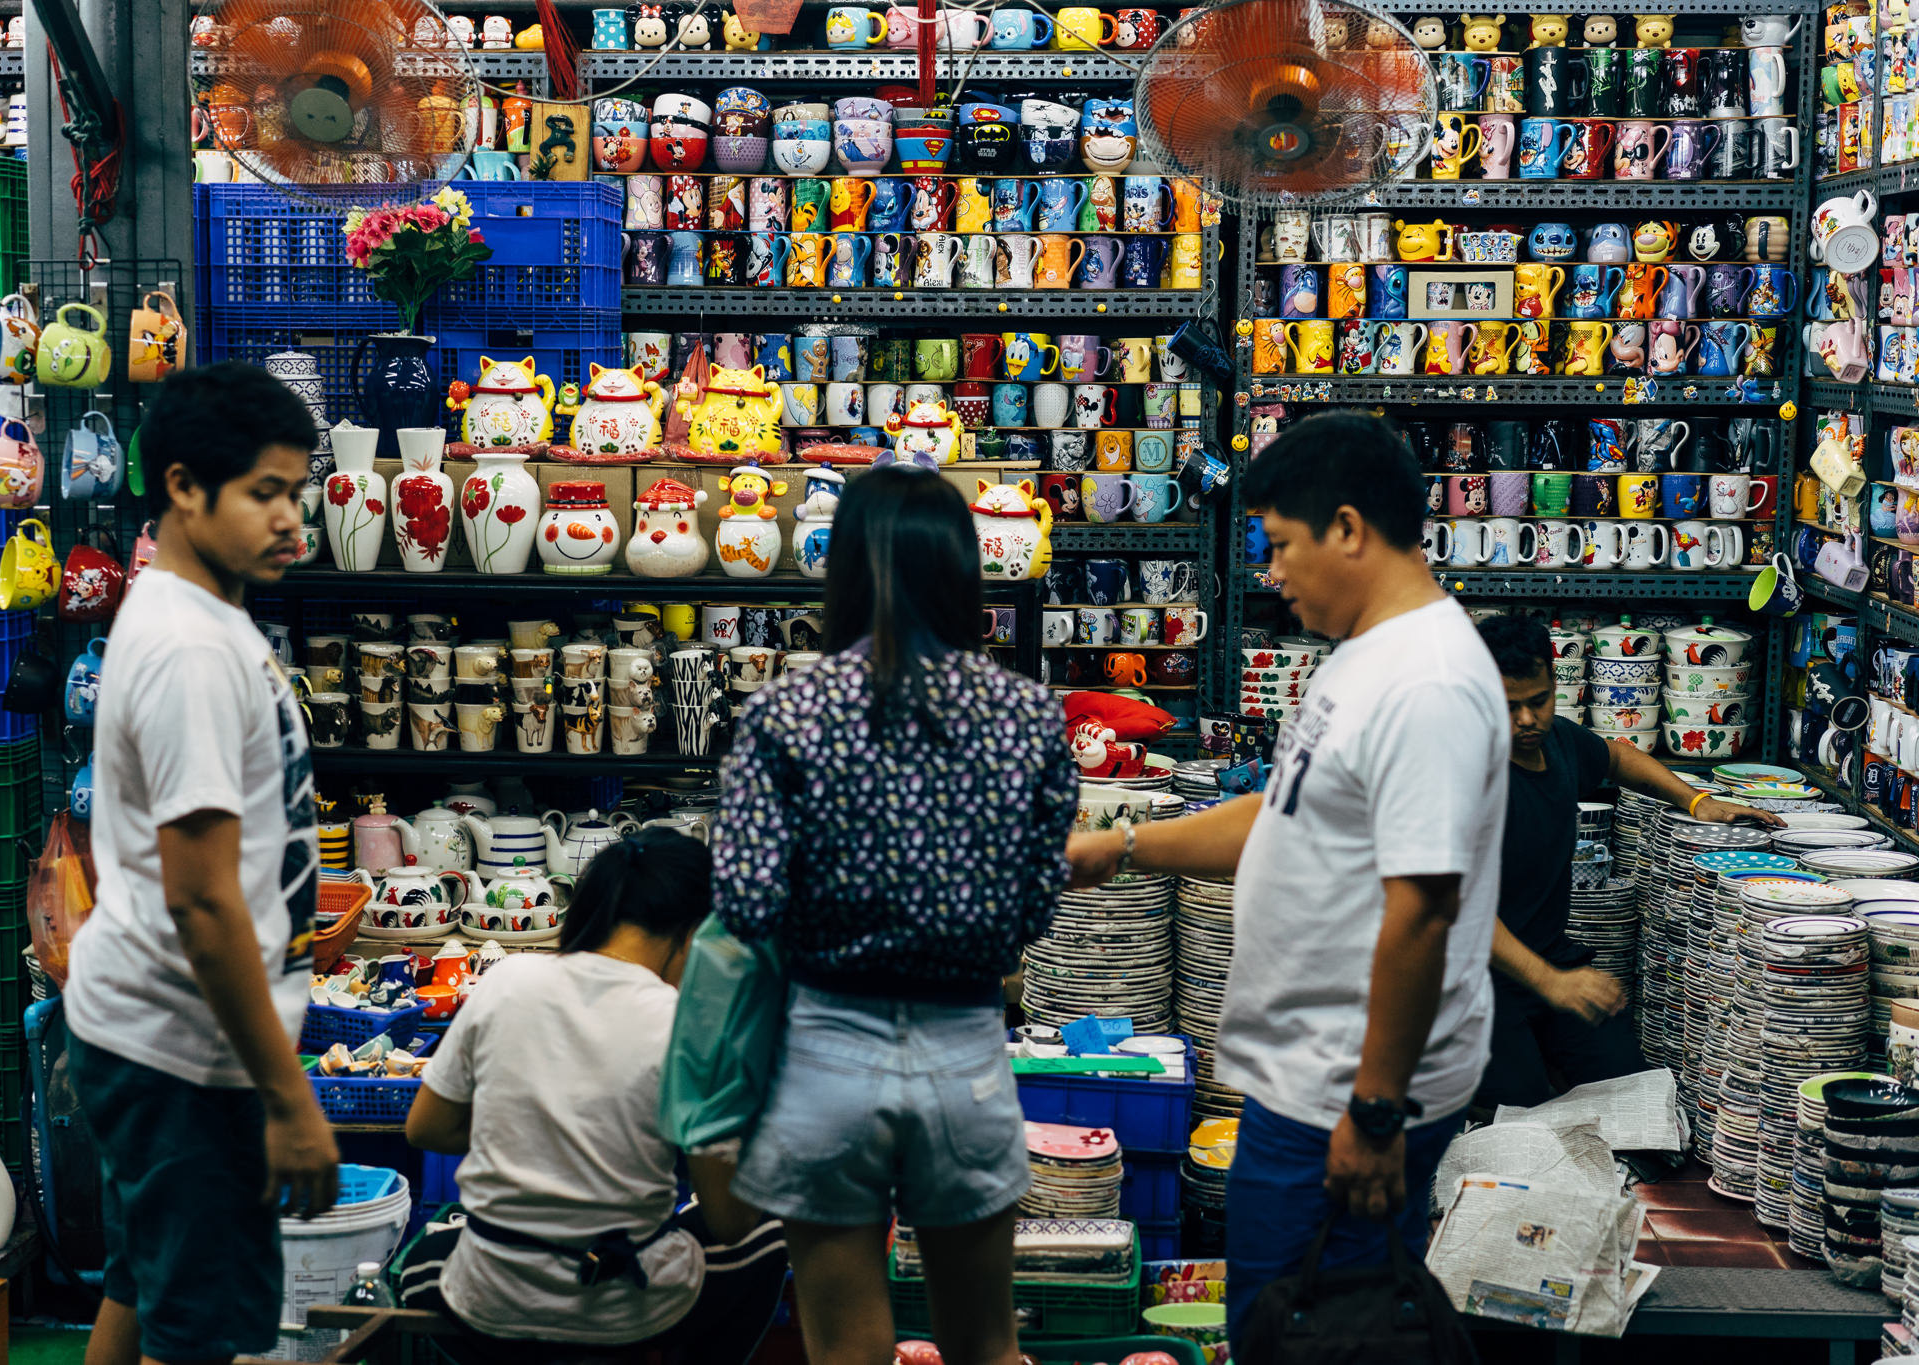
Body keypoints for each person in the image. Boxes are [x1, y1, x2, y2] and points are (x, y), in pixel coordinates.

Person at [1066, 412, 1509, 1335]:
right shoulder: (1365, 659)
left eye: (1279, 546)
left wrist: (1376, 1113)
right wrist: (1124, 847)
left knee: (1312, 1334)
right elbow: (1285, 816)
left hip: (1342, 1097)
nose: (1271, 575)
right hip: (1310, 1085)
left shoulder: (1425, 683)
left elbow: (1424, 910)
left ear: (1348, 529)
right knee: (1275, 1324)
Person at [711, 466, 1080, 1365]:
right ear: (962, 568)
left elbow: (746, 902)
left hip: (828, 1045)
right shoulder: (1028, 713)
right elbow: (1036, 901)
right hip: (967, 1045)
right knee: (986, 1343)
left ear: (844, 571)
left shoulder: (785, 713)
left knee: (845, 1351)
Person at [63, 363, 334, 1365]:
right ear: (184, 487)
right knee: (201, 1329)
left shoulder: (203, 619)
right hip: (185, 1054)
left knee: (146, 1286)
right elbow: (203, 902)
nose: (290, 522)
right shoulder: (189, 649)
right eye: (265, 493)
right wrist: (287, 1097)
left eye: (295, 495)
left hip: (158, 1033)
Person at [400, 829, 787, 1364]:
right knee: (769, 1233)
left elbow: (426, 1129)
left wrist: (530, 1121)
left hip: (495, 1297)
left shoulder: (507, 980)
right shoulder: (689, 1027)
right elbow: (728, 1221)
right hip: (623, 1310)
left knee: (427, 1258)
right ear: (694, 930)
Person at [1472, 614, 1782, 1109]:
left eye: (1538, 702)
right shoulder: (1463, 772)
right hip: (1471, 981)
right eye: (1508, 707)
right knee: (1516, 1108)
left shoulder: (1557, 742)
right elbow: (1452, 911)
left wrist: (1698, 802)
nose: (1527, 720)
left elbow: (1616, 757)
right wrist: (1551, 983)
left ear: (1555, 684)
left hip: (1550, 958)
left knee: (1629, 1093)